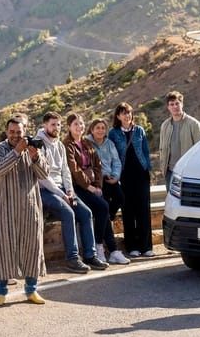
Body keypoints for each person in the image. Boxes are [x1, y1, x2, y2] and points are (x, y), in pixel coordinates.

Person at [0, 117, 50, 305]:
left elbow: (44, 174)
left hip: (30, 207)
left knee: (32, 248)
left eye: (19, 132)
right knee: (3, 249)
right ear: (6, 132)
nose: (16, 135)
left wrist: (35, 157)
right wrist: (17, 151)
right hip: (6, 207)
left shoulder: (33, 148)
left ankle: (31, 290)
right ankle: (1, 292)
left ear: (25, 131)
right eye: (12, 132)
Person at [36, 112, 108, 272]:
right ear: (44, 126)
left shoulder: (59, 145)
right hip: (45, 190)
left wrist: (69, 190)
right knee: (69, 213)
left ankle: (90, 255)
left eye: (58, 124)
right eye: (53, 124)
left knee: (86, 212)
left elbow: (66, 171)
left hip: (62, 189)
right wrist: (62, 194)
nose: (56, 128)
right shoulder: (37, 144)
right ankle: (73, 258)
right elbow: (42, 177)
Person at [64, 113, 130, 265]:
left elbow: (97, 165)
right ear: (69, 127)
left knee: (104, 210)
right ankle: (100, 247)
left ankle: (112, 251)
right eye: (75, 124)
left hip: (93, 185)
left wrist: (98, 185)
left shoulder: (86, 143)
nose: (79, 127)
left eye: (81, 124)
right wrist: (90, 187)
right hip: (78, 187)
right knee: (103, 207)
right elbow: (75, 170)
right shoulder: (67, 145)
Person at [108, 102, 153, 258]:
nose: (127, 115)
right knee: (128, 211)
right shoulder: (113, 133)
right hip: (124, 175)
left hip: (141, 174)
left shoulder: (139, 130)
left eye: (129, 112)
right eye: (123, 113)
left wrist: (148, 169)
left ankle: (146, 246)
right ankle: (132, 246)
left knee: (143, 210)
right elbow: (112, 155)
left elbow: (146, 151)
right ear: (118, 116)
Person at [86, 118, 131, 264]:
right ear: (91, 129)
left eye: (103, 128)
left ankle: (108, 218)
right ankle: (111, 250)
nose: (100, 130)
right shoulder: (87, 143)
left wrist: (116, 176)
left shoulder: (109, 143)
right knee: (103, 210)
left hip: (110, 178)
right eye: (97, 128)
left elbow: (116, 161)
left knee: (120, 198)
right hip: (97, 182)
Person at [158, 90, 200, 192]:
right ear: (168, 107)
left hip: (187, 172)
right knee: (172, 203)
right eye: (172, 104)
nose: (175, 106)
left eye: (177, 103)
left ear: (182, 104)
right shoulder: (165, 125)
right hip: (170, 172)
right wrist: (163, 169)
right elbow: (162, 148)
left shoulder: (194, 124)